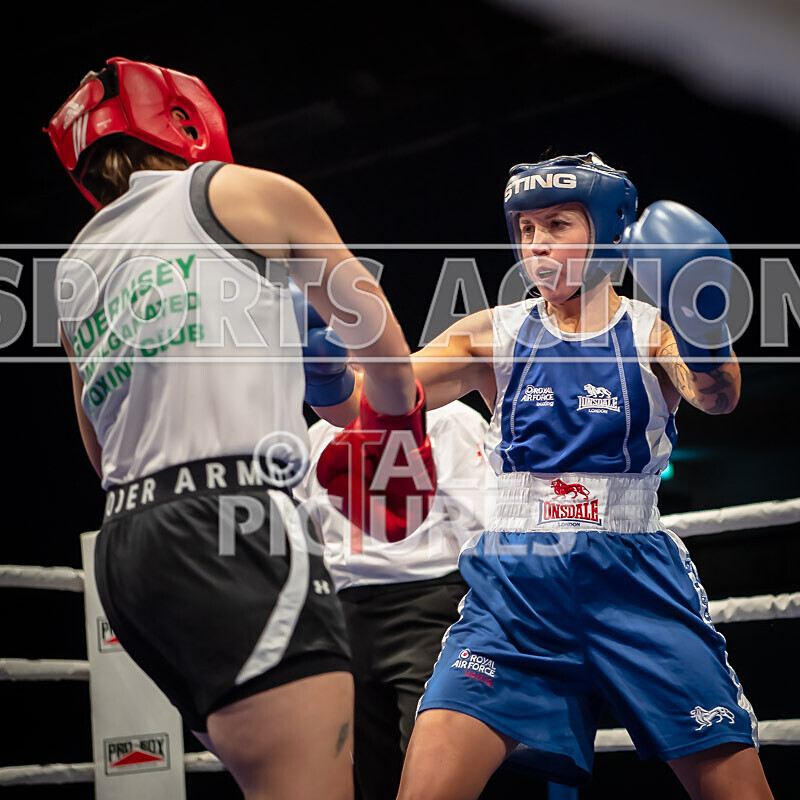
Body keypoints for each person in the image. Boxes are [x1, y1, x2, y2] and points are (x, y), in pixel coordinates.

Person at [47, 57, 436, 800]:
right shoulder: (246, 193)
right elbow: (386, 356)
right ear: (188, 119)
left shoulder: (74, 267)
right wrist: (395, 430)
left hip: (130, 551)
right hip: (237, 524)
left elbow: (100, 452)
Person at [388, 154, 774, 799]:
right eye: (526, 228)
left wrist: (704, 326)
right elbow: (380, 395)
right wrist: (321, 350)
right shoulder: (495, 332)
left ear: (608, 234)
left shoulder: (652, 330)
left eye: (558, 224)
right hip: (516, 584)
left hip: (633, 578)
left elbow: (716, 396)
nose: (537, 243)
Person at [294, 398, 495, 800]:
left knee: (432, 776)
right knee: (373, 776)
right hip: (345, 619)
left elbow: (483, 526)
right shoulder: (314, 437)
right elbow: (305, 542)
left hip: (432, 607)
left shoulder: (447, 418)